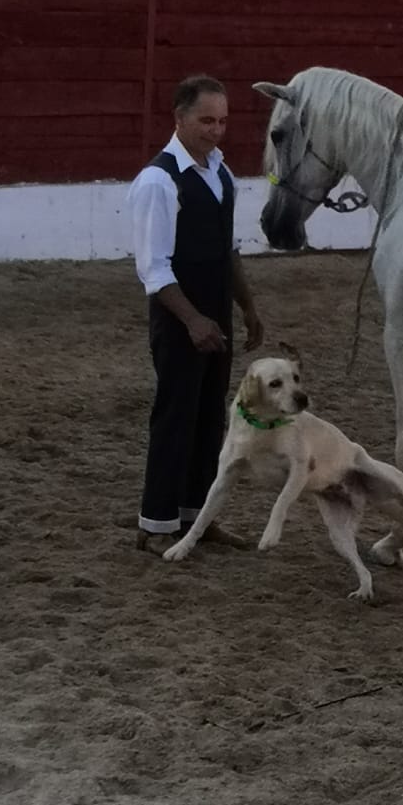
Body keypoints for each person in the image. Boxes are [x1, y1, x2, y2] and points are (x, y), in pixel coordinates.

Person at [129, 74, 263, 555]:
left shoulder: (220, 173)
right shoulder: (158, 181)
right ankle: (155, 522)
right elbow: (153, 268)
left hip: (214, 317)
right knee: (175, 416)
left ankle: (196, 520)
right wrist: (192, 320)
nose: (216, 130)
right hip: (180, 318)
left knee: (209, 420)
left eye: (223, 121)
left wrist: (245, 306)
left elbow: (227, 250)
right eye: (207, 120)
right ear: (179, 117)